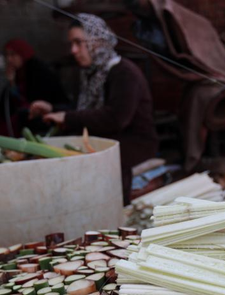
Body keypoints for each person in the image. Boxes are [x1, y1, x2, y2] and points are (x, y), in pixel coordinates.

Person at [29, 14, 158, 205]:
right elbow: (86, 110)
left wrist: (67, 117)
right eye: (71, 44)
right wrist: (54, 110)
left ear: (97, 42)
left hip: (133, 141)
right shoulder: (93, 73)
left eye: (79, 43)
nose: (73, 50)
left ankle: (115, 211)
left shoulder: (124, 72)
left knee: (99, 159)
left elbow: (115, 118)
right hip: (108, 136)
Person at [0, 38, 69, 136]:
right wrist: (12, 83)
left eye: (13, 55)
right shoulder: (17, 74)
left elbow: (34, 101)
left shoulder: (39, 73)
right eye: (7, 55)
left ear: (23, 54)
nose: (9, 59)